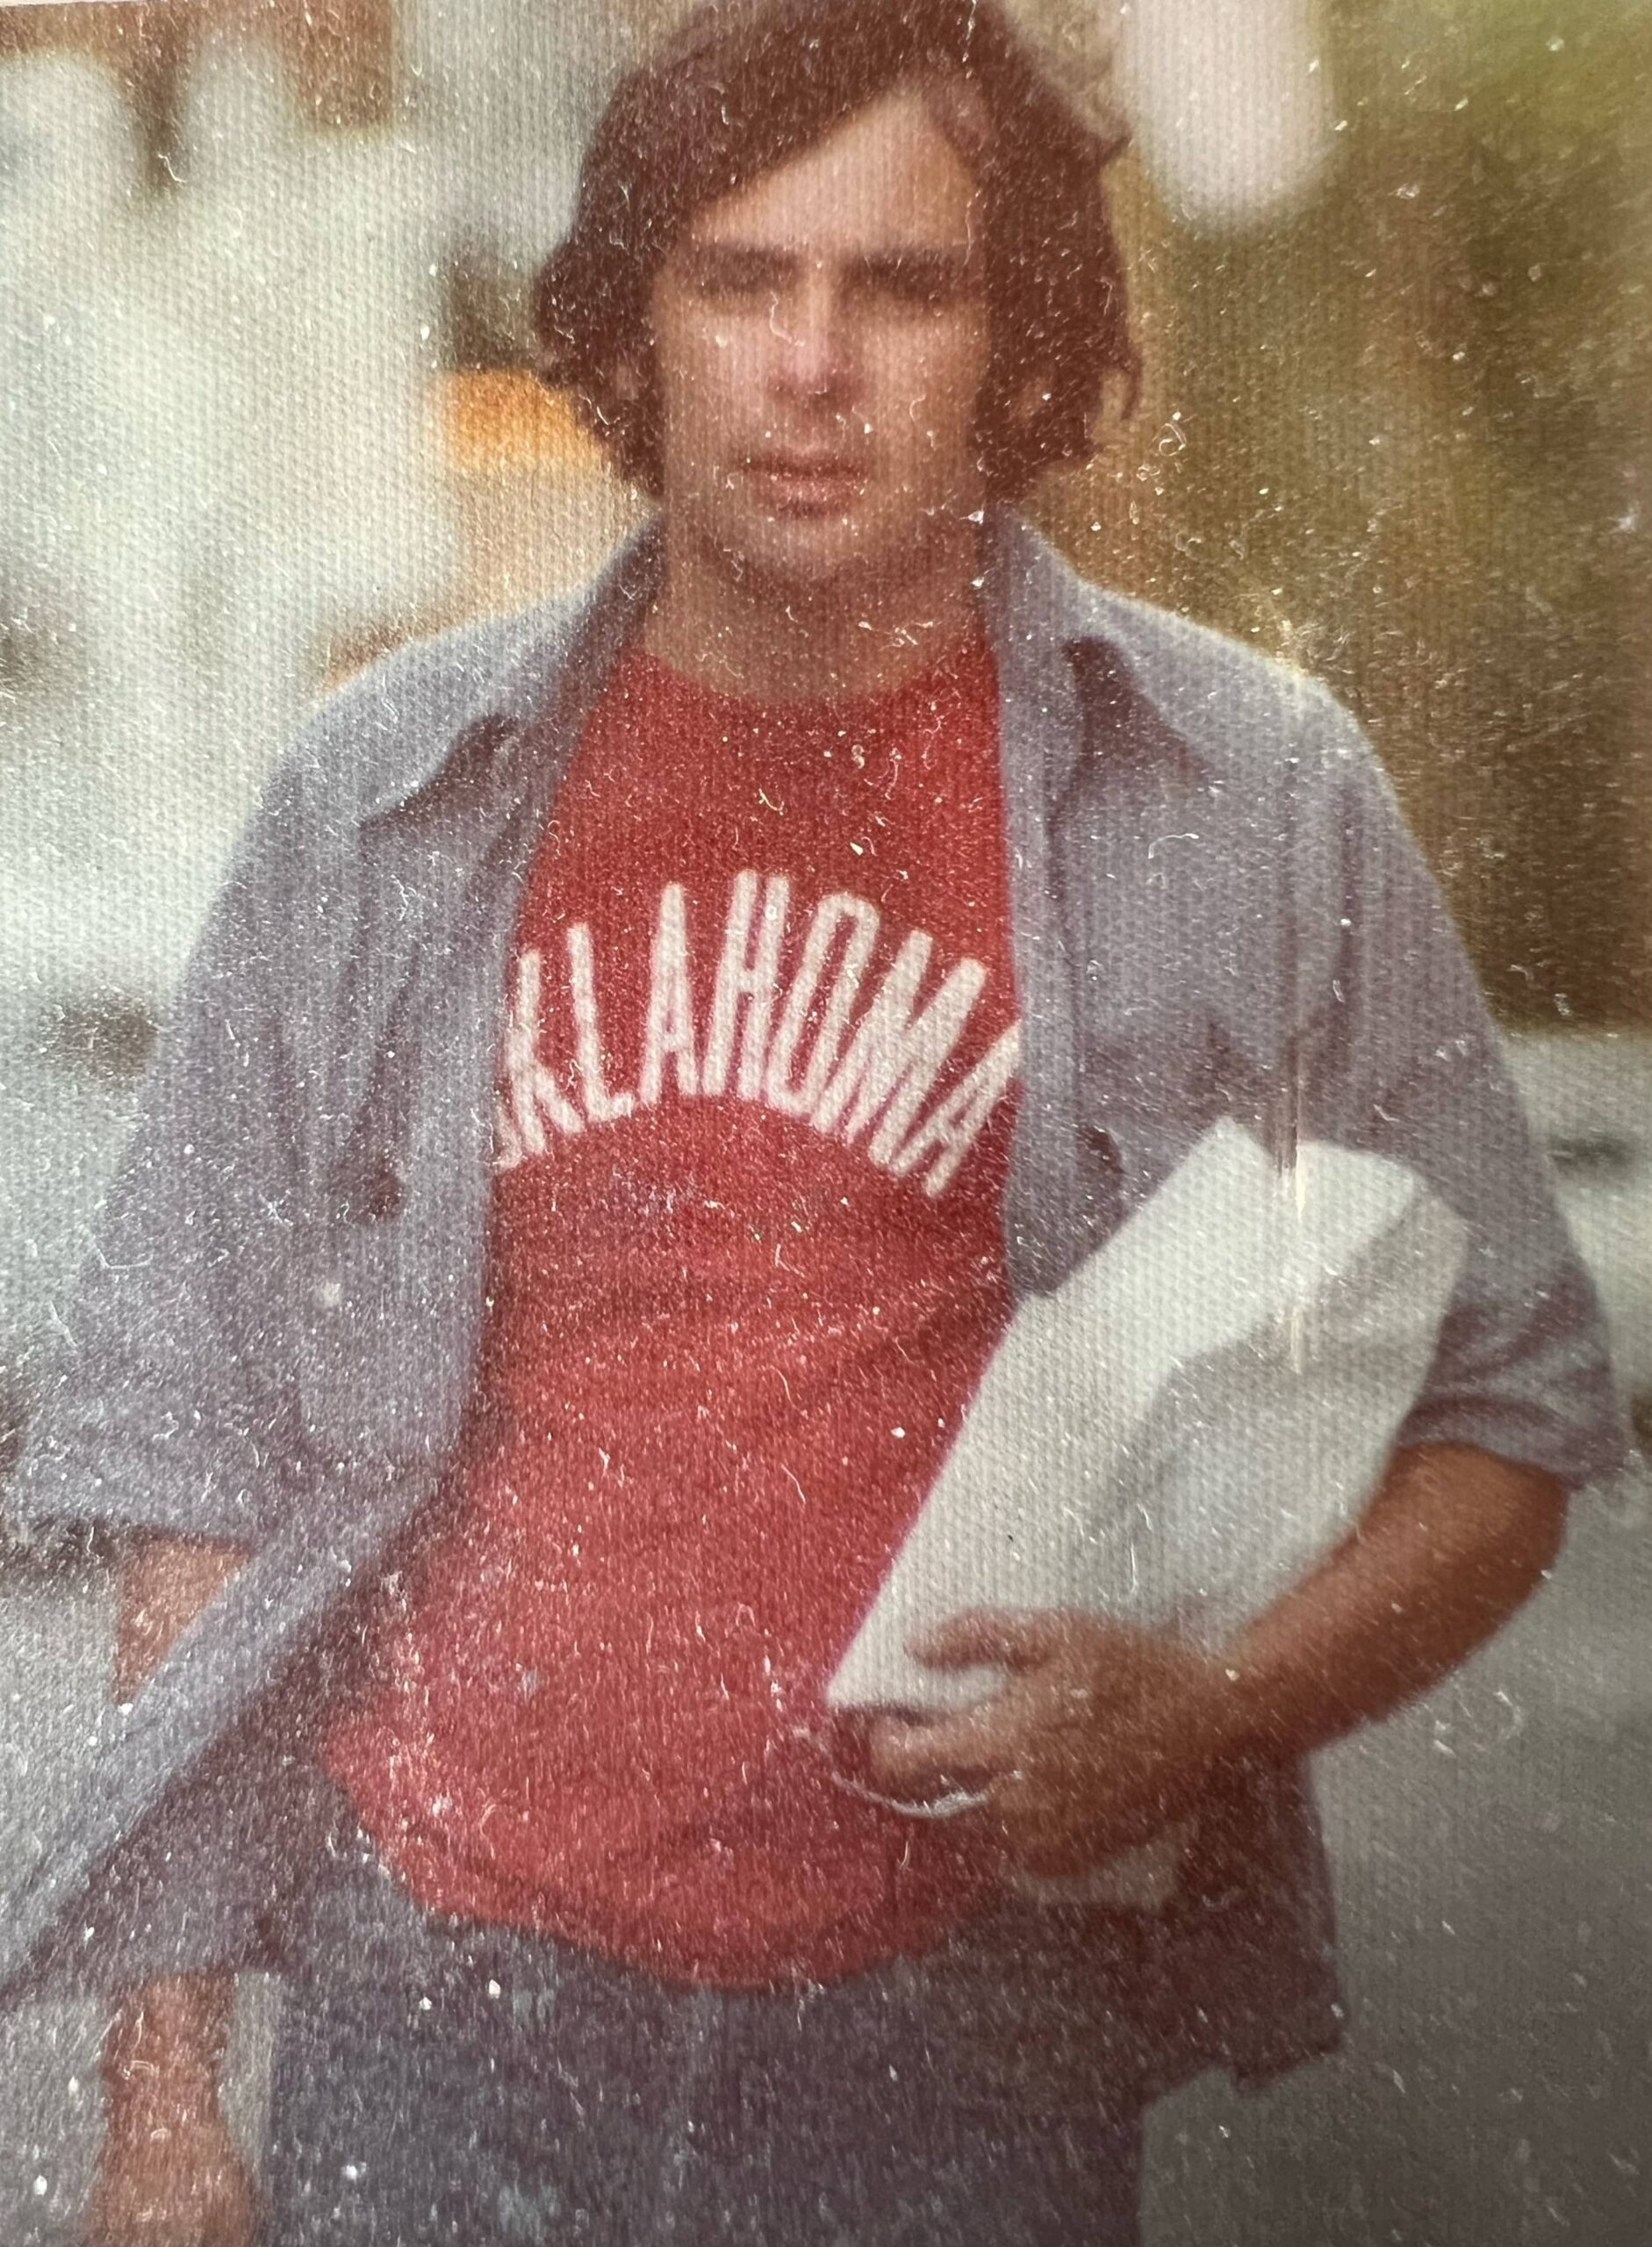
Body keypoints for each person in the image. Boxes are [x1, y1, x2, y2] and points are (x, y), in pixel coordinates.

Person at [1, 3, 1625, 2242]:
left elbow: (1509, 1415)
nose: (810, 363)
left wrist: (1208, 1705)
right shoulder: (382, 799)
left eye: (904, 286)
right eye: (739, 277)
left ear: (1016, 334)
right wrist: (164, 2096)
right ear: (632, 323)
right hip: (441, 2010)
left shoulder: (1242, 795)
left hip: (957, 2037)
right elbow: (201, 1447)